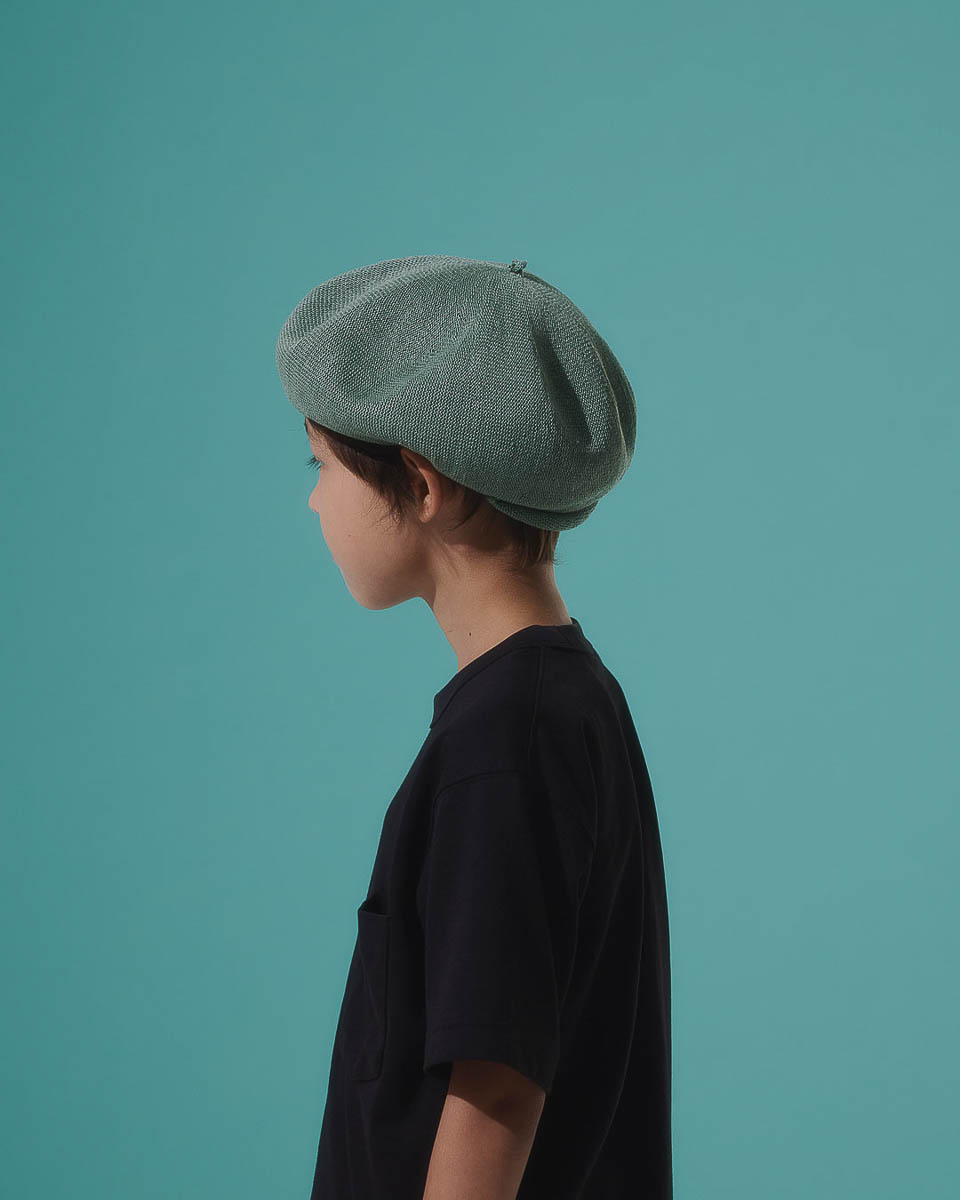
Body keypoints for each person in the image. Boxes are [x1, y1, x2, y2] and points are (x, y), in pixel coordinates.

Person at [276, 255, 672, 1199]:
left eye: (321, 464)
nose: (314, 498)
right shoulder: (562, 703)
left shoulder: (505, 743)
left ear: (422, 486)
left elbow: (495, 1084)